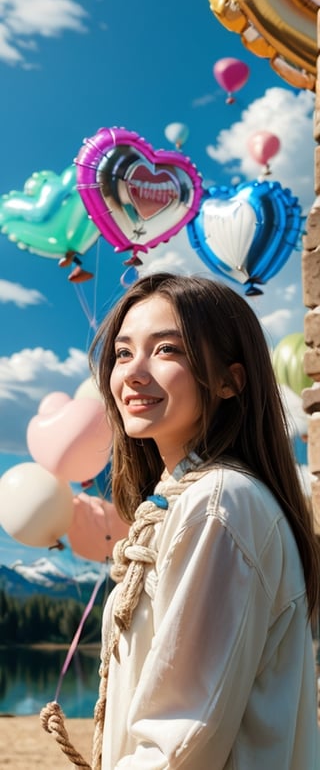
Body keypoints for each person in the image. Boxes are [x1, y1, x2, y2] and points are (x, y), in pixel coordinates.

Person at [41, 272, 320, 769]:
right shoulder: (191, 500)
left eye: (166, 350)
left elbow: (181, 742)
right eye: (123, 353)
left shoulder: (219, 504)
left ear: (230, 380)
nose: (132, 372)